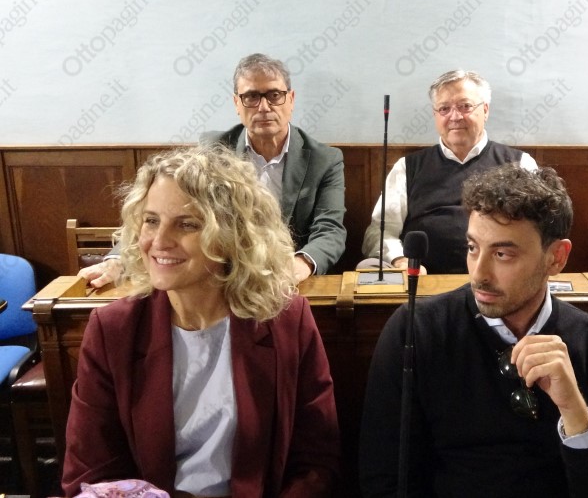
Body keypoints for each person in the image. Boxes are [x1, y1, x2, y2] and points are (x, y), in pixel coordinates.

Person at [62, 146, 339, 497]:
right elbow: (92, 471)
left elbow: (316, 460)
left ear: (232, 236)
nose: (159, 241)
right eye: (151, 220)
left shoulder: (286, 319)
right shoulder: (113, 329)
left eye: (187, 224)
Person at [359, 164, 588, 497]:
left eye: (502, 254)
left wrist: (575, 413)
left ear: (556, 258)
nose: (479, 273)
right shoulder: (415, 330)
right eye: (472, 248)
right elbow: (384, 478)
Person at [79, 53, 346, 287]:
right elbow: (165, 213)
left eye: (274, 95)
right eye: (251, 97)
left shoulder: (325, 159)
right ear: (237, 103)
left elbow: (330, 229)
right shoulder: (214, 149)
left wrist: (301, 263)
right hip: (222, 279)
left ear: (291, 99)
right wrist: (118, 259)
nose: (264, 107)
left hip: (289, 282)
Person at [359, 69, 537, 274]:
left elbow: (536, 232)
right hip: (423, 281)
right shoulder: (407, 168)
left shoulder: (520, 165)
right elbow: (379, 232)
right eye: (444, 109)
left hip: (500, 279)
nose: (455, 116)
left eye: (465, 106)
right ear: (435, 115)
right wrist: (401, 261)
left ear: (485, 110)